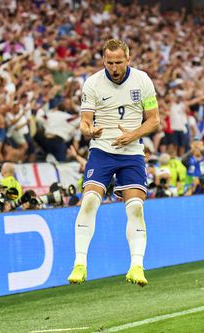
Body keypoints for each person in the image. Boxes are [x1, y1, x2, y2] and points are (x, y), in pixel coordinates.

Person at [67, 39, 160, 287]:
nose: (114, 67)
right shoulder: (93, 83)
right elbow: (85, 121)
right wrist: (89, 131)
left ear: (128, 59)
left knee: (136, 208)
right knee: (88, 200)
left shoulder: (143, 80)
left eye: (119, 62)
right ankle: (80, 263)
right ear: (104, 60)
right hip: (102, 149)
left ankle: (137, 266)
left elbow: (154, 120)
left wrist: (133, 134)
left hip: (132, 152)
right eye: (109, 62)